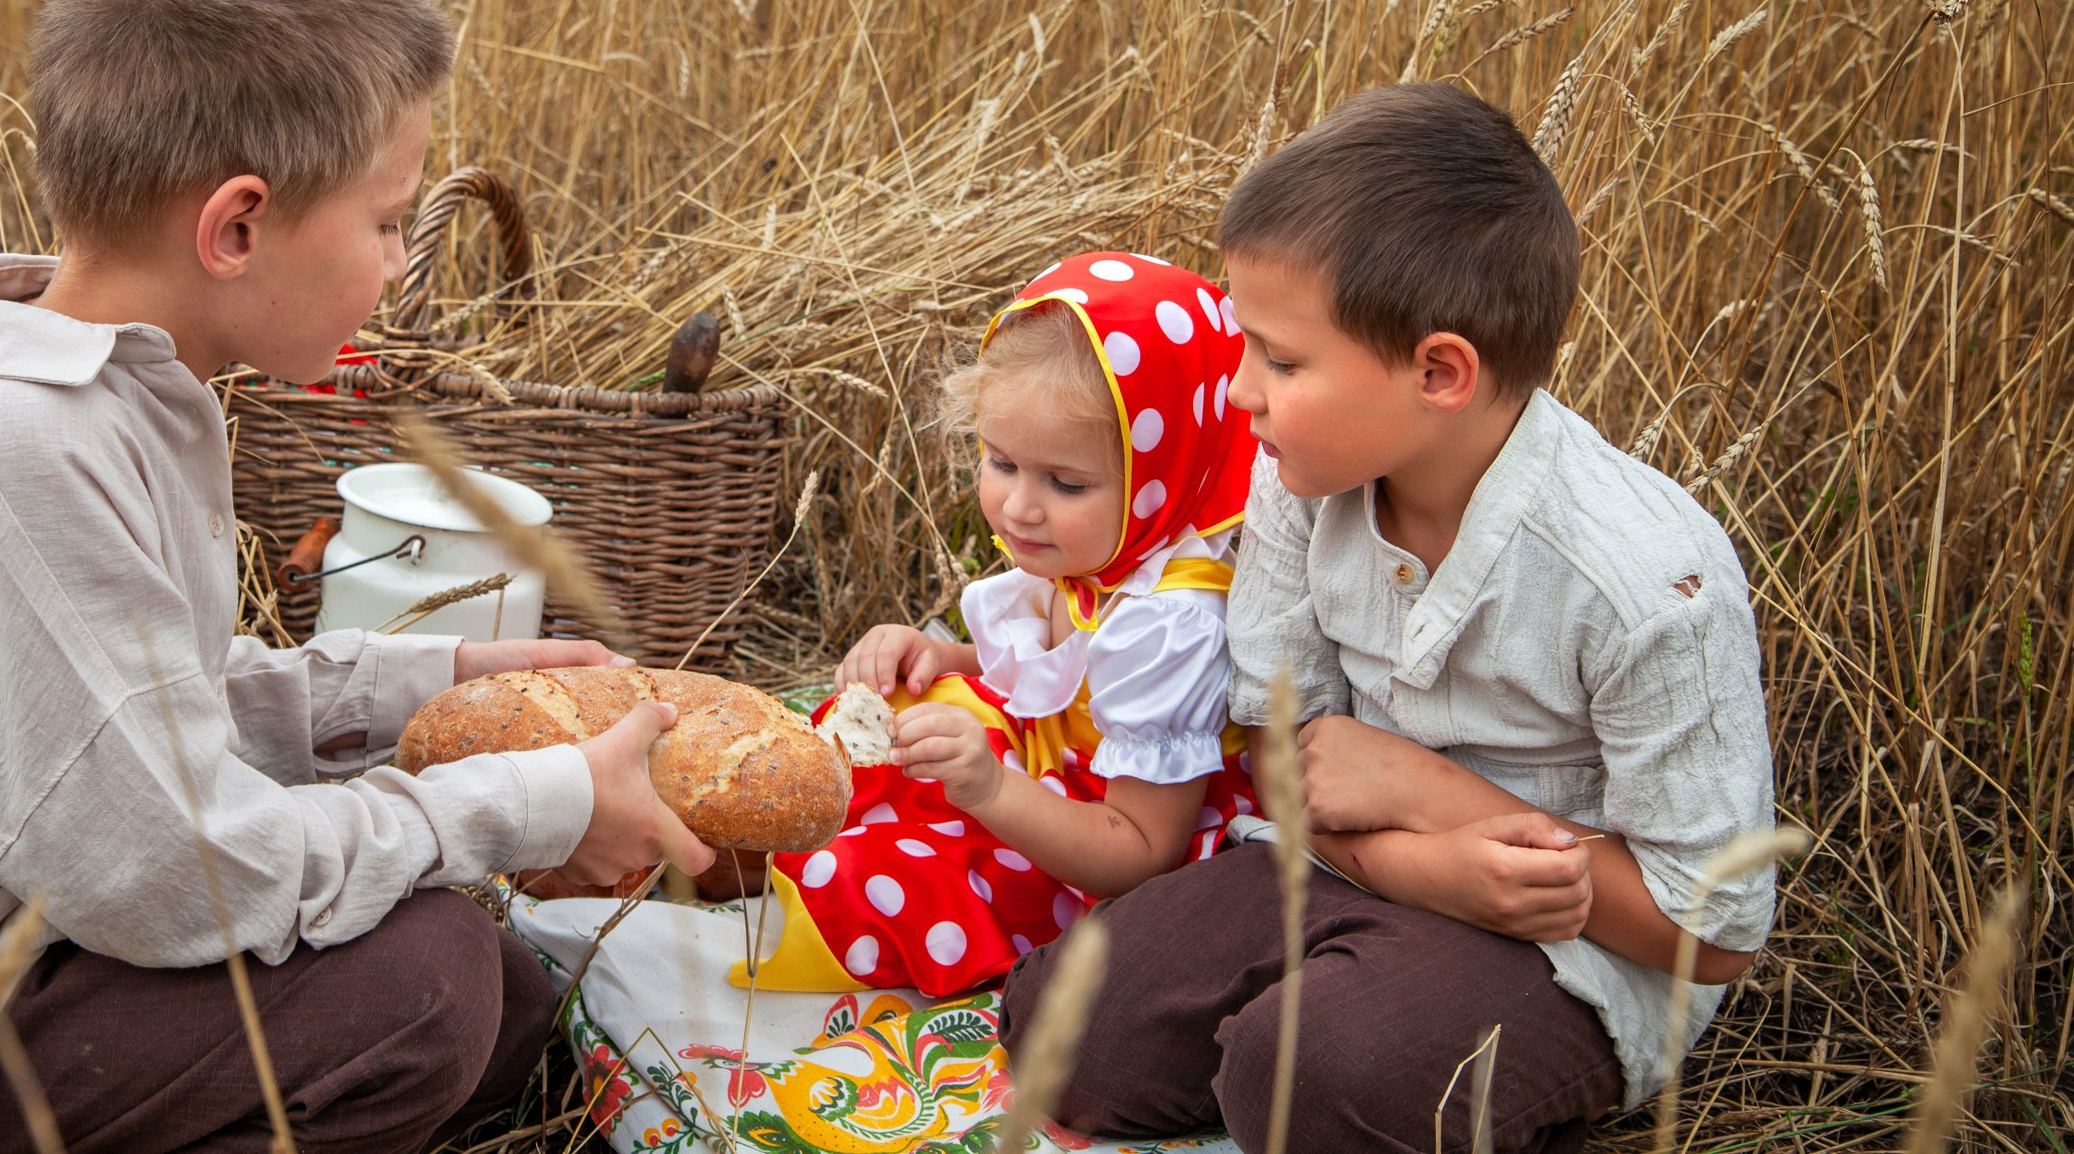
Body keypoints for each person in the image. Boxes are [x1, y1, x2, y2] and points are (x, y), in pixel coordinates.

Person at [0, 0, 717, 1154]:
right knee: (422, 988)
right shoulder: (18, 444)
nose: (399, 264)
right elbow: (177, 869)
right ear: (235, 228)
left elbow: (143, 711)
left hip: (23, 918)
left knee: (511, 1006)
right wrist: (530, 804)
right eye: (388, 221)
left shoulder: (124, 389)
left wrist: (423, 684)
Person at [1001, 83, 1777, 1154]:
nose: (1239, 392)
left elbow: (1713, 932)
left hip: (1570, 945)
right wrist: (1421, 866)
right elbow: (1283, 757)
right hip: (1341, 858)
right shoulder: (1297, 484)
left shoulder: (1644, 580)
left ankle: (1453, 1070)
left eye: (1281, 360)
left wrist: (1431, 795)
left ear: (1439, 371)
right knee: (1066, 1025)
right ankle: (1355, 1018)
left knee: (1305, 1078)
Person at [739, 253, 1260, 998]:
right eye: (1000, 462)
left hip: (1098, 851)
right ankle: (749, 842)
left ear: (1168, 474)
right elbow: (1056, 678)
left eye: (1065, 483)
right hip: (1049, 768)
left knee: (882, 874)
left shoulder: (1168, 626)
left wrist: (989, 791)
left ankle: (841, 899)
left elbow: (1143, 854)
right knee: (897, 718)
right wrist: (935, 653)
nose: (1018, 506)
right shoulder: (1107, 550)